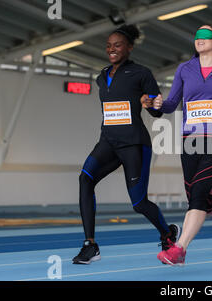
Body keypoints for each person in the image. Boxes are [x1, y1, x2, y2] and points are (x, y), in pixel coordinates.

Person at [141, 24, 212, 266]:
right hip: (189, 140)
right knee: (196, 199)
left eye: (205, 36)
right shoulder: (185, 69)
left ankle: (179, 249)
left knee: (199, 194)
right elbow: (171, 104)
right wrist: (154, 105)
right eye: (197, 36)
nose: (199, 39)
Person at [72, 24, 179, 265]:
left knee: (139, 203)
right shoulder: (102, 76)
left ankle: (167, 233)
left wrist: (149, 103)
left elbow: (157, 113)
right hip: (108, 142)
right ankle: (90, 245)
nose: (112, 49)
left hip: (134, 144)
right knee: (85, 179)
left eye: (117, 45)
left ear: (129, 48)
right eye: (108, 45)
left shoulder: (142, 73)